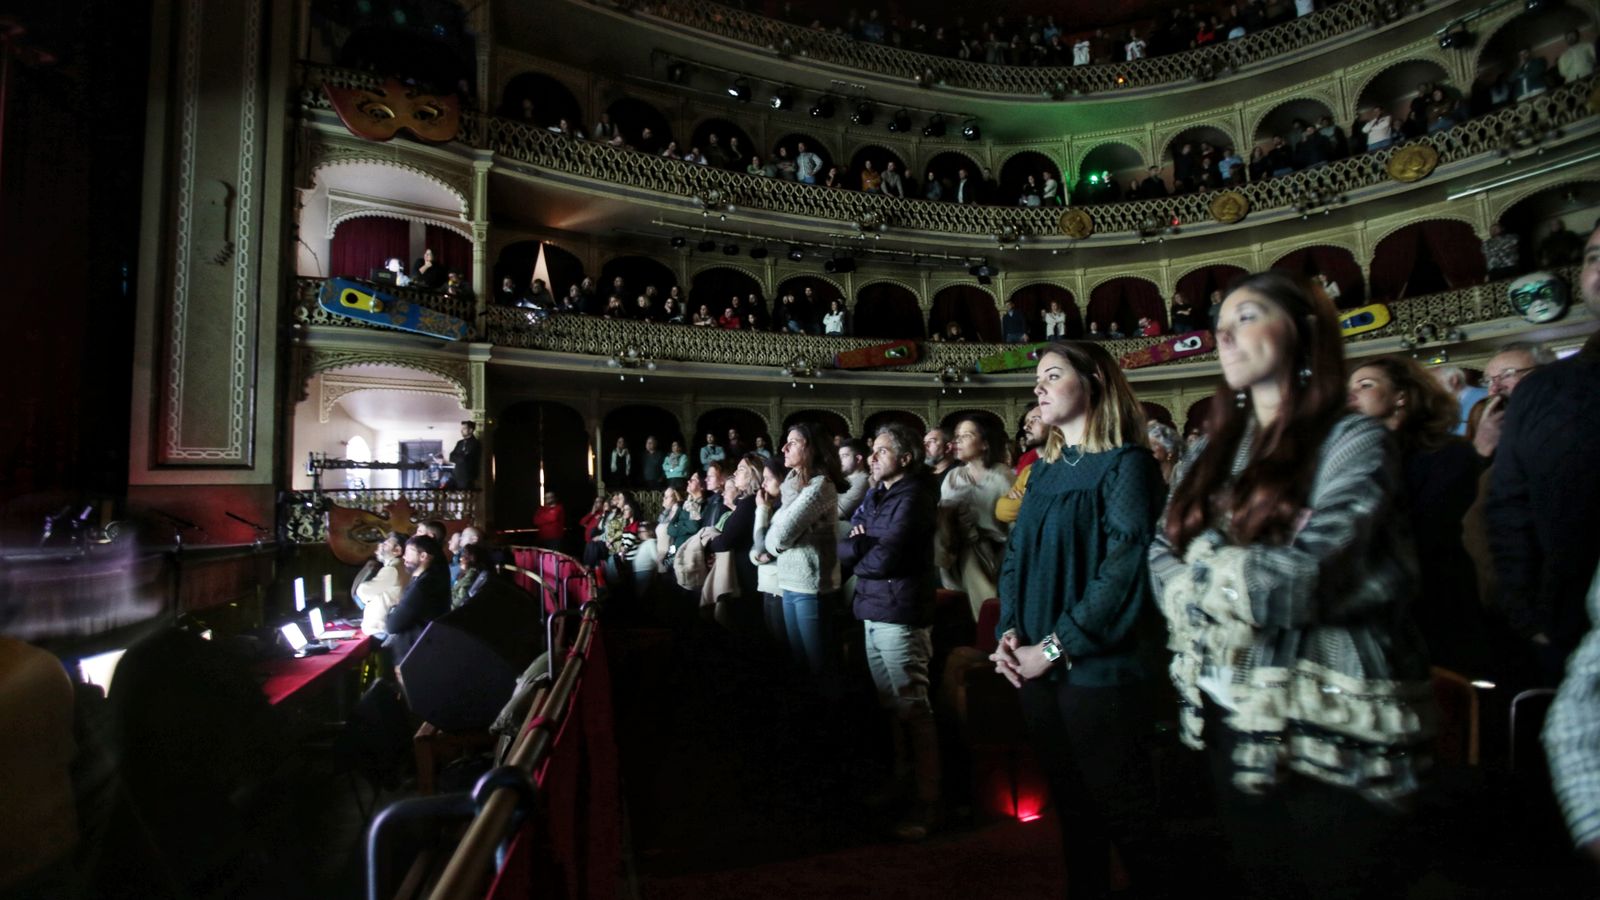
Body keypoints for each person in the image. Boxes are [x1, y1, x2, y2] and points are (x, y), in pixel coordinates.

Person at [1150, 272, 1433, 898]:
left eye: (1247, 316)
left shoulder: (1353, 439)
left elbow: (1305, 578)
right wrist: (1238, 567)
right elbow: (1156, 556)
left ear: (1305, 333)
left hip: (1335, 718)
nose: (1224, 332)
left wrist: (1201, 570)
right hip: (1230, 707)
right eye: (1219, 322)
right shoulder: (1205, 454)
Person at [989, 340, 1173, 899]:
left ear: (1092, 381)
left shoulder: (1128, 465)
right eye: (1037, 378)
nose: (1037, 387)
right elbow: (1016, 558)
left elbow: (1123, 573)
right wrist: (1008, 632)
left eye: (1052, 375)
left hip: (1100, 671)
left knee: (1128, 816)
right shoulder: (1044, 472)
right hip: (1037, 669)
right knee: (1073, 810)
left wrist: (1051, 649)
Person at [1488, 224, 1600, 686]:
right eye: (1593, 257)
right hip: (1570, 637)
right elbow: (1510, 508)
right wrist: (1531, 621)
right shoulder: (1545, 392)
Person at [1347, 356, 1490, 675]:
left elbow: (1430, 533)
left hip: (1435, 606)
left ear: (1402, 396)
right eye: (1349, 388)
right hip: (1374, 613)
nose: (1351, 395)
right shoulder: (1353, 462)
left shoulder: (1448, 454)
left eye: (1365, 385)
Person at [840, 423, 941, 841]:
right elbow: (846, 544)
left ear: (905, 458)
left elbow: (888, 557)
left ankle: (929, 801)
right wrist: (862, 544)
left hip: (900, 611)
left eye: (882, 451)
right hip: (872, 606)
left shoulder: (915, 496)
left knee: (913, 708)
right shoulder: (876, 494)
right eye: (872, 450)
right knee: (891, 706)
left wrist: (863, 546)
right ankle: (903, 782)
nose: (872, 456)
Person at [758, 422, 846, 681]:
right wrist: (777, 538)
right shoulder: (791, 486)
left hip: (813, 586)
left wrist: (775, 542)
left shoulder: (820, 486)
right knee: (799, 663)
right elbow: (778, 533)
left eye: (793, 442)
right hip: (789, 582)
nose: (784, 447)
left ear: (812, 449)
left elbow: (779, 537)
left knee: (820, 666)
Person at [937, 415, 1011, 620]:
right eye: (956, 436)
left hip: (993, 554)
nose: (957, 441)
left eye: (966, 435)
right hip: (951, 553)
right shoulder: (953, 476)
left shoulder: (1002, 476)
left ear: (985, 443)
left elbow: (1014, 525)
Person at [1473, 341, 1556, 458]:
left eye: (1507, 375)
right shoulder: (1492, 430)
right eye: (1489, 381)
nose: (1495, 388)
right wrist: (1483, 448)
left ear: (1545, 374)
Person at [386, 534, 452, 667]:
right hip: (422, 650)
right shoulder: (431, 579)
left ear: (423, 556)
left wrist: (392, 610)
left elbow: (392, 625)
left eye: (409, 553)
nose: (404, 557)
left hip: (415, 655)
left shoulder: (423, 586)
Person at [995, 404, 1046, 525]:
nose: (1026, 426)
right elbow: (1001, 510)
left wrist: (1022, 500)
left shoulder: (1067, 465)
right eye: (1027, 421)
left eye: (1035, 420)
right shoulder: (1028, 469)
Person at [356, 531, 411, 636]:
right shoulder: (403, 567)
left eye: (386, 544)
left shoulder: (392, 569)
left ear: (397, 550)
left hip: (380, 629)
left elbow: (363, 591)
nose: (380, 547)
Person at [837, 438, 870, 519]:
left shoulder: (863, 481)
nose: (840, 460)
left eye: (844, 456)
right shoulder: (843, 477)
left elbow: (838, 513)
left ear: (858, 459)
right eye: (839, 457)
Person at [442, 421, 481, 489]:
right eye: (462, 428)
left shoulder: (475, 443)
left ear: (471, 430)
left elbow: (466, 458)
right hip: (456, 475)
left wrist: (459, 457)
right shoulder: (460, 443)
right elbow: (451, 456)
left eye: (464, 428)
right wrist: (461, 456)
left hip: (467, 476)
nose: (461, 430)